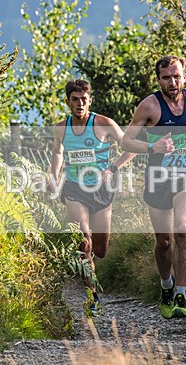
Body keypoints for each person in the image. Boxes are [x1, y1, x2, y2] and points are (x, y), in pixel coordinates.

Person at [121, 55, 186, 319]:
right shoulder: (149, 106)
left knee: (183, 232)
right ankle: (166, 286)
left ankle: (181, 297)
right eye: (167, 77)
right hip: (158, 179)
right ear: (158, 79)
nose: (173, 82)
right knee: (163, 242)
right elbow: (126, 142)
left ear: (184, 76)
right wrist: (153, 146)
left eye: (177, 76)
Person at [48, 79, 135, 317]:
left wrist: (113, 168)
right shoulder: (60, 128)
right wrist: (53, 175)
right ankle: (92, 297)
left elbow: (130, 146)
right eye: (74, 100)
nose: (79, 104)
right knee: (83, 241)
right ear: (68, 102)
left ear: (90, 101)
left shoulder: (104, 124)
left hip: (102, 190)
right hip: (74, 189)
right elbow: (58, 152)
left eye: (83, 100)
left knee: (100, 248)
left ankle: (91, 262)